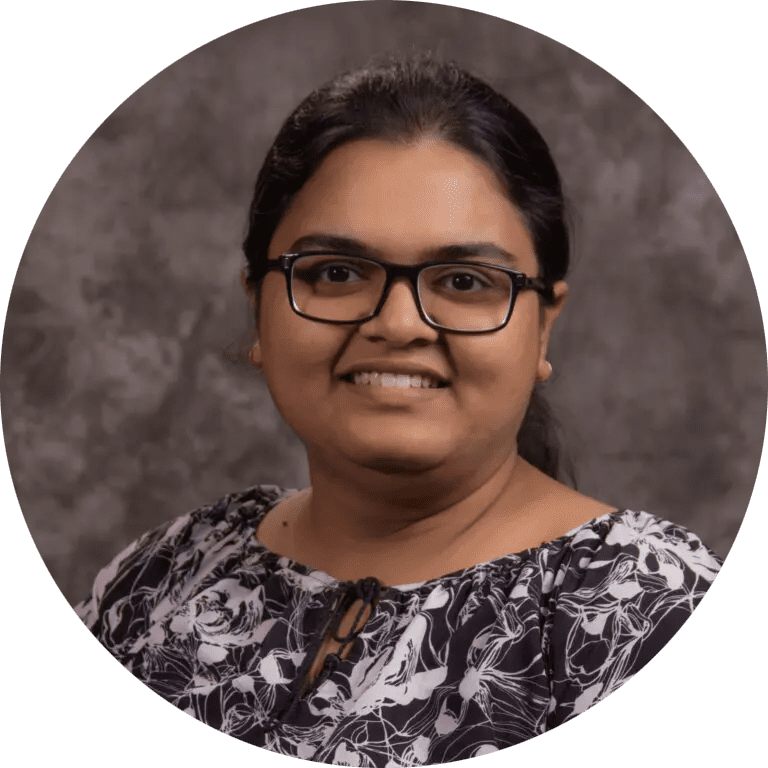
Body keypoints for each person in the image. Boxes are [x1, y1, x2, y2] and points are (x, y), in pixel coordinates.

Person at [75, 56, 722, 765]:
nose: (399, 324)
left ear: (543, 326)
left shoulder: (651, 612)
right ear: (258, 307)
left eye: (465, 281)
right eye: (336, 273)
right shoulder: (163, 578)